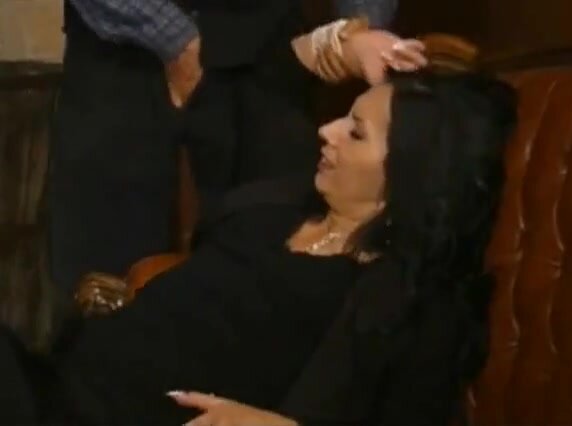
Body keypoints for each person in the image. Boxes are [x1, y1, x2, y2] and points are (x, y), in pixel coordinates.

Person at [2, 27, 517, 426]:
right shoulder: (281, 204)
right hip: (59, 385)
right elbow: (248, 81)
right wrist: (345, 43)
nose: (328, 130)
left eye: (355, 132)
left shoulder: (398, 297)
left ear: (406, 174)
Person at [48, 0, 404, 300]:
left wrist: (358, 29)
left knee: (265, 282)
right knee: (103, 280)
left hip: (267, 56)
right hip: (123, 49)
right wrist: (177, 42)